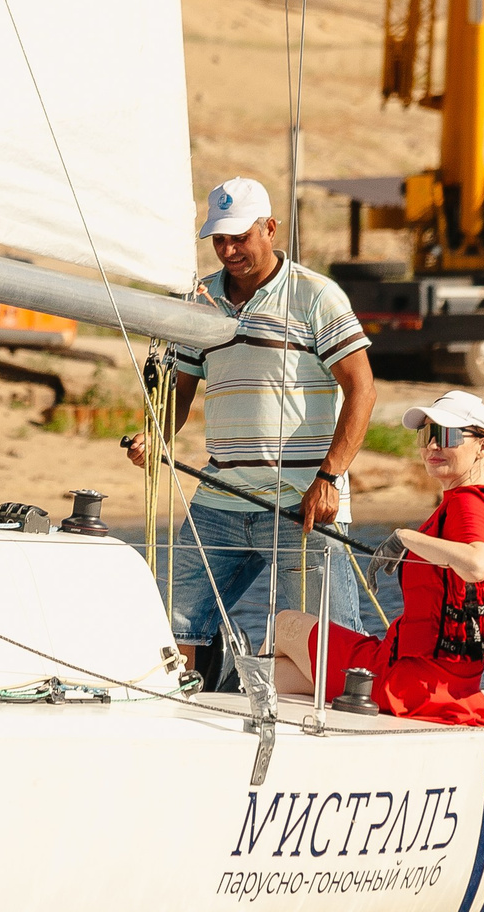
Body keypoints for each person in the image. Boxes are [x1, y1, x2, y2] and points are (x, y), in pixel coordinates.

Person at [126, 177, 373, 684]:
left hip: (301, 503)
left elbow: (363, 390)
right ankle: (179, 716)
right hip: (220, 500)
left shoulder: (315, 296)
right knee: (174, 626)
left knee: (324, 643)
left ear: (270, 228)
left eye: (240, 237)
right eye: (219, 239)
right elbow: (180, 392)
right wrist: (156, 435)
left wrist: (329, 478)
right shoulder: (199, 299)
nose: (229, 250)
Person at [273, 389, 484, 728]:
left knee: (284, 624)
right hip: (452, 685)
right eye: (427, 435)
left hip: (408, 680)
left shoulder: (465, 504)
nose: (432, 446)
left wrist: (404, 537)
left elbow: (476, 564)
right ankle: (245, 701)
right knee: (283, 675)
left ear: (483, 446)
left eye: (446, 435)